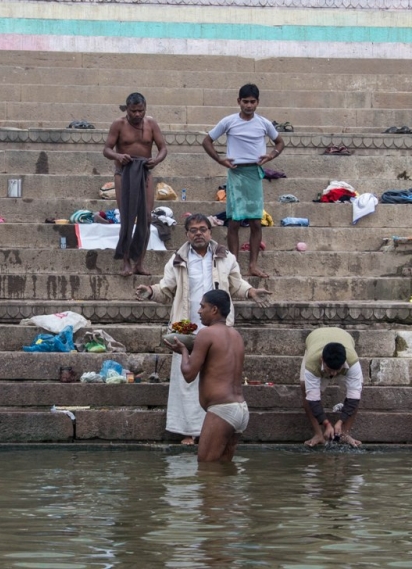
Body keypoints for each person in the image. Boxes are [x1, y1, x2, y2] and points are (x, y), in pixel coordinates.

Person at [135, 213, 271, 445]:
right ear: (187, 234)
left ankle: (211, 429)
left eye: (202, 229)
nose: (198, 233)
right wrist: (150, 291)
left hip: (218, 330)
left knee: (216, 377)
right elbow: (166, 289)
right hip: (186, 328)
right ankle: (188, 432)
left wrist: (251, 292)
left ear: (210, 232)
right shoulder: (177, 259)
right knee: (186, 379)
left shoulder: (225, 257)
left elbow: (237, 284)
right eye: (193, 230)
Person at [202, 84, 284, 279]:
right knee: (234, 222)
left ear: (257, 103)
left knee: (256, 221)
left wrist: (271, 156)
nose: (248, 105)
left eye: (252, 102)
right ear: (239, 101)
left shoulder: (264, 123)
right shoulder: (228, 121)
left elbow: (280, 142)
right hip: (236, 174)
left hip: (254, 173)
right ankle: (234, 266)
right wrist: (220, 159)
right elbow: (207, 141)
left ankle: (253, 265)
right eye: (245, 101)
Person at [164, 290, 248, 463]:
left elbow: (188, 374)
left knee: (206, 469)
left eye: (203, 306)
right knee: (224, 471)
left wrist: (183, 351)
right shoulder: (236, 335)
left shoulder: (206, 333)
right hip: (241, 410)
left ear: (214, 309)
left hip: (222, 410)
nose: (199, 311)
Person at [103, 92, 168, 277]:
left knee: (146, 218)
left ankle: (139, 262)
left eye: (141, 111)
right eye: (134, 111)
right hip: (124, 172)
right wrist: (118, 156)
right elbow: (106, 149)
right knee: (127, 217)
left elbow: (163, 147)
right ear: (127, 109)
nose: (138, 114)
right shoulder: (119, 124)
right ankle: (125, 262)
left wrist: (156, 161)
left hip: (145, 171)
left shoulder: (151, 124)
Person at [301, 327, 364, 448]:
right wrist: (327, 424)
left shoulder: (352, 362)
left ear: (344, 362)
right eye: (329, 370)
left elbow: (354, 398)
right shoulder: (312, 363)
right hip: (315, 341)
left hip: (345, 339)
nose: (333, 375)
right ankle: (318, 434)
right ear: (322, 360)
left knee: (357, 389)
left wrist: (341, 421)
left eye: (337, 370)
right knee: (305, 388)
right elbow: (313, 400)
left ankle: (345, 434)